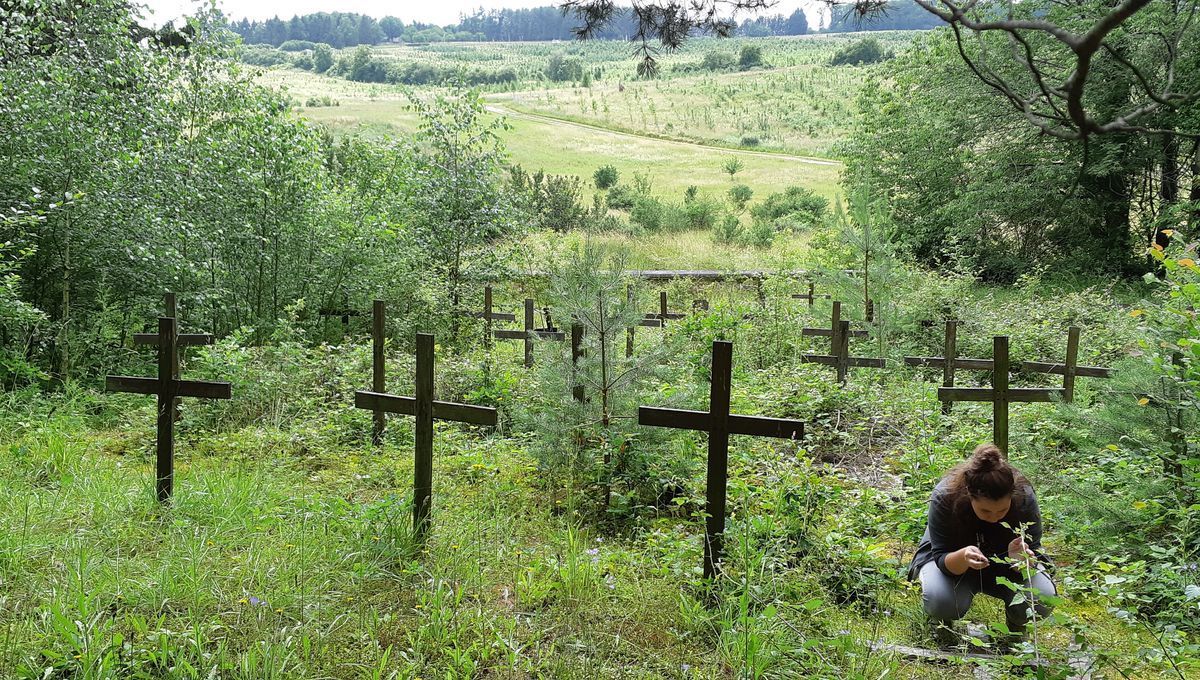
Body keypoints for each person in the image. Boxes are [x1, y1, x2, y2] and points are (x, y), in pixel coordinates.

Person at [909, 443, 1057, 647]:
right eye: (986, 511)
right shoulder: (945, 496)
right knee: (941, 600)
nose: (994, 518)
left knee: (1041, 598)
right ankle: (942, 625)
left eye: (1002, 510)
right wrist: (962, 557)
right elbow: (941, 557)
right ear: (969, 495)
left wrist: (1022, 561)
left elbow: (1035, 550)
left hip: (1006, 566)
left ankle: (1016, 628)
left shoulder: (1024, 497)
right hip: (955, 564)